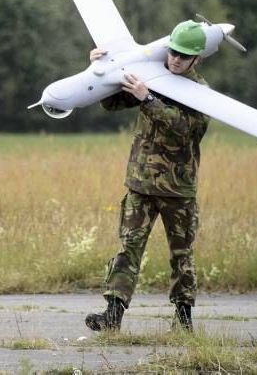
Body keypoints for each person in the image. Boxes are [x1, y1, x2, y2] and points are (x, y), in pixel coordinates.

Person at [85, 20, 210, 333]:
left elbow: (185, 130)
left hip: (177, 190)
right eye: (173, 52)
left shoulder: (201, 93)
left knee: (181, 255)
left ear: (197, 58)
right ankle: (112, 315)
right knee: (128, 249)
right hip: (140, 184)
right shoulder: (152, 76)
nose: (176, 59)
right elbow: (111, 102)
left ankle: (183, 321)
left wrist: (148, 99)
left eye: (184, 56)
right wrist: (100, 69)